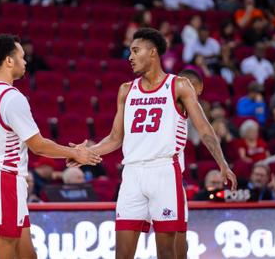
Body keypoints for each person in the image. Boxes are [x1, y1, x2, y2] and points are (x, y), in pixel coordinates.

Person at [67, 28, 236, 259]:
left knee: (167, 252)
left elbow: (205, 129)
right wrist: (86, 152)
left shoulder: (179, 85)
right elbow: (115, 138)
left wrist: (223, 164)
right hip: (132, 174)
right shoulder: (126, 90)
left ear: (153, 52)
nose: (130, 57)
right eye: (130, 52)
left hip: (164, 171)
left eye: (136, 51)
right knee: (122, 254)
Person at [0, 34, 101, 259]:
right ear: (9, 61)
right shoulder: (11, 97)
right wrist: (76, 153)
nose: (26, 61)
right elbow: (38, 145)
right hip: (3, 182)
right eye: (22, 56)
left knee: (28, 255)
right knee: (5, 255)